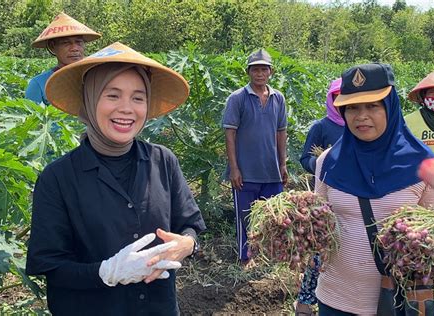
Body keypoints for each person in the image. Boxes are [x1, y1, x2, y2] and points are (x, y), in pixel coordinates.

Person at [26, 42, 206, 315]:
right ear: (90, 99)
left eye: (138, 97)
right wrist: (106, 272)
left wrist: (187, 244)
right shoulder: (57, 178)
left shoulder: (163, 161)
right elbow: (50, 265)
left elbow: (190, 224)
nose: (127, 109)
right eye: (112, 95)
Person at [314, 63, 434, 314]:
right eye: (352, 107)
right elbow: (318, 224)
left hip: (395, 303)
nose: (361, 116)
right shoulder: (328, 161)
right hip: (334, 299)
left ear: (390, 106)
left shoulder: (424, 165)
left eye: (373, 105)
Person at [222, 49, 288, 268]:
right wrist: (234, 168)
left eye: (264, 69)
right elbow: (230, 133)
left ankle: (269, 257)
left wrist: (283, 163)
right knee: (245, 217)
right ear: (248, 72)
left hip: (271, 170)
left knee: (273, 216)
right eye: (255, 69)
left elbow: (281, 132)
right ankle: (245, 257)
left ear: (271, 72)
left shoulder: (278, 98)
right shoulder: (237, 98)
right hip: (246, 171)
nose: (260, 73)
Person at [296, 78, 344, 315]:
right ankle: (305, 304)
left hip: (353, 203)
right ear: (330, 99)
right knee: (319, 256)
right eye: (336, 97)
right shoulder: (322, 127)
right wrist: (323, 162)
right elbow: (305, 158)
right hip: (325, 202)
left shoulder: (360, 127)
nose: (340, 102)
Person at [25, 12, 101, 105]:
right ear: (52, 47)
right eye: (66, 43)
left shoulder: (96, 78)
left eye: (79, 42)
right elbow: (31, 117)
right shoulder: (39, 84)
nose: (75, 48)